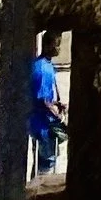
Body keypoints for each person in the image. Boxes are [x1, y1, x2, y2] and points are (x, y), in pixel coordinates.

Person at [28, 44, 66, 180]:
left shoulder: (45, 64)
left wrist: (57, 103)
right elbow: (42, 99)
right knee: (47, 162)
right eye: (57, 44)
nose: (59, 48)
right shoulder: (43, 68)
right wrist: (58, 116)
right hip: (43, 123)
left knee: (40, 159)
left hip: (40, 121)